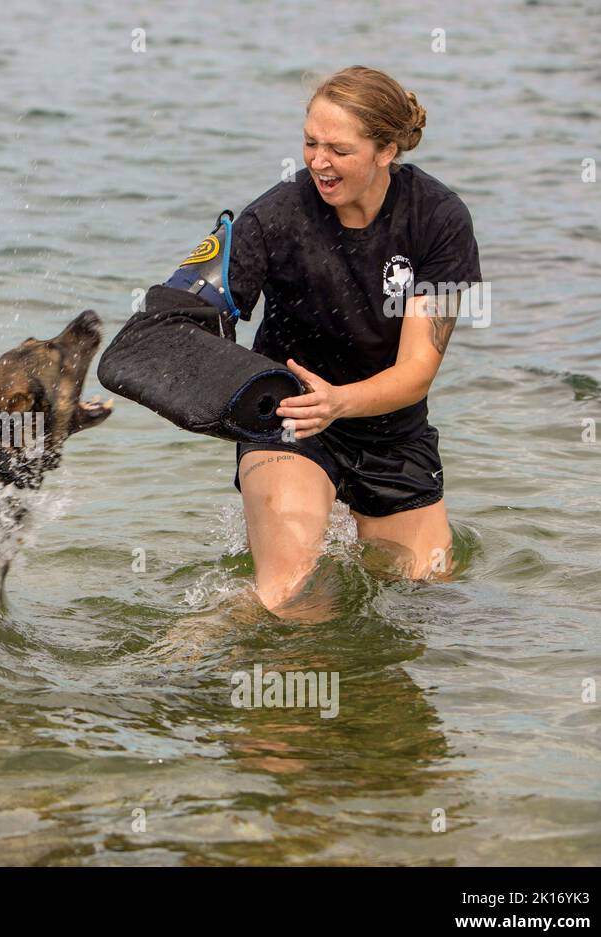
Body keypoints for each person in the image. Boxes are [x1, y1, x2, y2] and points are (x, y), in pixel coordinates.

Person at [181, 66, 482, 616]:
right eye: (310, 142)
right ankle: (184, 658)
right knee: (291, 593)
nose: (318, 162)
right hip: (292, 415)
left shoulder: (437, 219)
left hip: (391, 431)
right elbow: (193, 319)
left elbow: (418, 369)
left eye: (339, 149)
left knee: (430, 596)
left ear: (386, 150)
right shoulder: (274, 216)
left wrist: (340, 401)